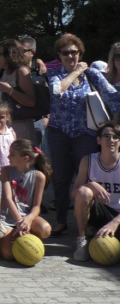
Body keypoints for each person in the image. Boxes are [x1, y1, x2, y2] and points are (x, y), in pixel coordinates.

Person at [46, 34, 120, 237]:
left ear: (80, 53)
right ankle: (61, 221)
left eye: (74, 52)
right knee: (61, 178)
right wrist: (76, 71)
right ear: (59, 56)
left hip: (85, 135)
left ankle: (89, 223)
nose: (70, 56)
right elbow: (56, 91)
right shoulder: (55, 74)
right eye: (66, 53)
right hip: (59, 133)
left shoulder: (93, 75)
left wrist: (113, 123)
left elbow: (113, 97)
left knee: (89, 178)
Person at [72, 122, 120, 261]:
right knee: (83, 192)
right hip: (99, 210)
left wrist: (115, 223)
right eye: (106, 136)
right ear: (99, 140)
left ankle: (104, 234)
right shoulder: (89, 160)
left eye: (115, 137)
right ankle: (82, 239)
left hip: (118, 216)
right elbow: (74, 193)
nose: (111, 140)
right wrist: (90, 184)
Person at [0, 139, 52, 260]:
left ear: (25, 158)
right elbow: (7, 198)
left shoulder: (39, 176)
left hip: (27, 217)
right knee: (8, 255)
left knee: (45, 230)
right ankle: (16, 235)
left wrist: (27, 220)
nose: (8, 156)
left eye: (12, 154)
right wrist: (19, 221)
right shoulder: (6, 170)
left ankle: (26, 237)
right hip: (8, 217)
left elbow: (37, 206)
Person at [0, 39, 37, 144]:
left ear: (9, 56)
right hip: (4, 127)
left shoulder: (22, 72)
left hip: (20, 128)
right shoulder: (4, 72)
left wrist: (9, 90)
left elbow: (31, 101)